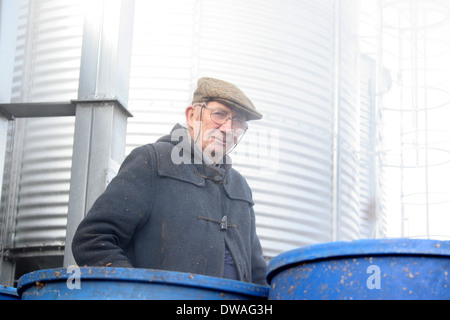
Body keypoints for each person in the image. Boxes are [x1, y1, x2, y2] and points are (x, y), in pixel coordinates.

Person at [71, 77, 267, 285]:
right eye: (219, 114)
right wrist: (140, 293)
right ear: (192, 116)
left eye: (238, 121)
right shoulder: (153, 161)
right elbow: (92, 239)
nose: (228, 128)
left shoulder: (240, 186)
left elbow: (257, 273)